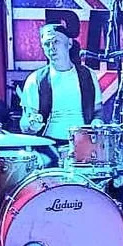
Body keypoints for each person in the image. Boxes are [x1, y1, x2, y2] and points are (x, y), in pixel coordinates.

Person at [19, 20, 102, 163]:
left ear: (69, 43)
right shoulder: (35, 79)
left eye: (56, 42)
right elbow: (24, 123)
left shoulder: (88, 75)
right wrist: (31, 125)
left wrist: (97, 121)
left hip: (83, 145)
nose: (51, 48)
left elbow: (98, 110)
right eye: (47, 44)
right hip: (48, 147)